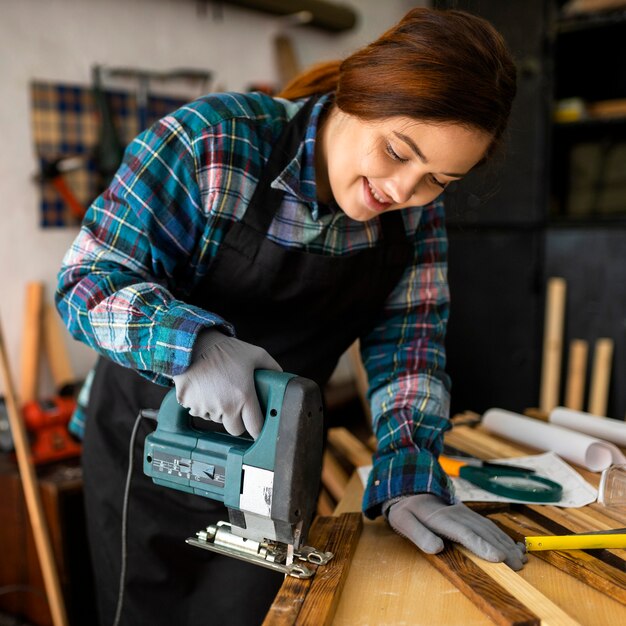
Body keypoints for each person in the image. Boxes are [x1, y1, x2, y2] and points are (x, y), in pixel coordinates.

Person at [56, 7, 524, 626]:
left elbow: (409, 348)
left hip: (273, 465)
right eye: (396, 151)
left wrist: (408, 470)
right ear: (357, 95)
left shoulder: (414, 218)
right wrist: (192, 346)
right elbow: (86, 279)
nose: (404, 191)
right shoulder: (211, 144)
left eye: (438, 179)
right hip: (148, 448)